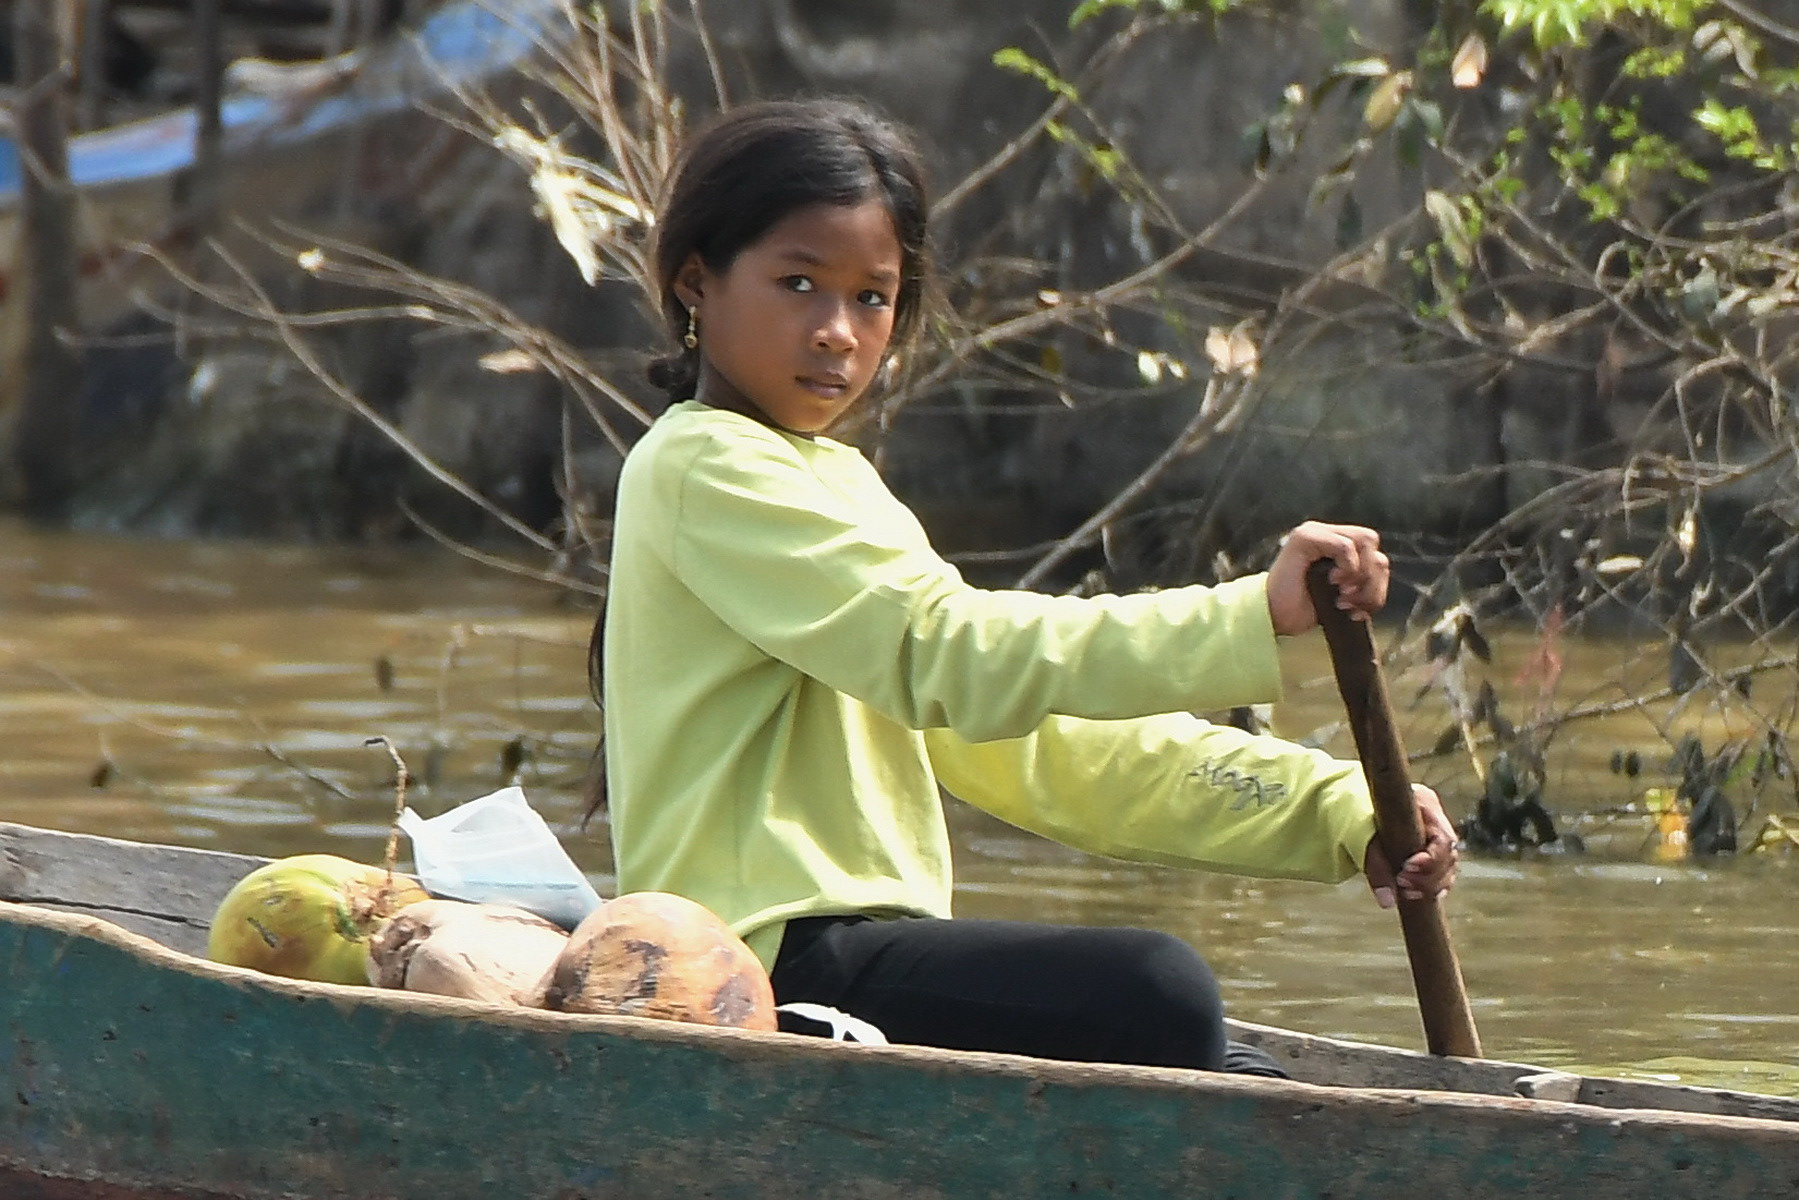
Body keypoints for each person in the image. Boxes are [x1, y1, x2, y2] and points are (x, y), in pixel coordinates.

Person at [590, 97, 1457, 1072]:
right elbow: (948, 652)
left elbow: (1043, 750)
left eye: (871, 297)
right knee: (1158, 994)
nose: (837, 332)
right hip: (750, 971)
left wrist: (1335, 811)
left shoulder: (830, 480)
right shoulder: (700, 466)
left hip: (851, 961)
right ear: (696, 283)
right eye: (799, 284)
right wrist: (1248, 612)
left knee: (1194, 1037)